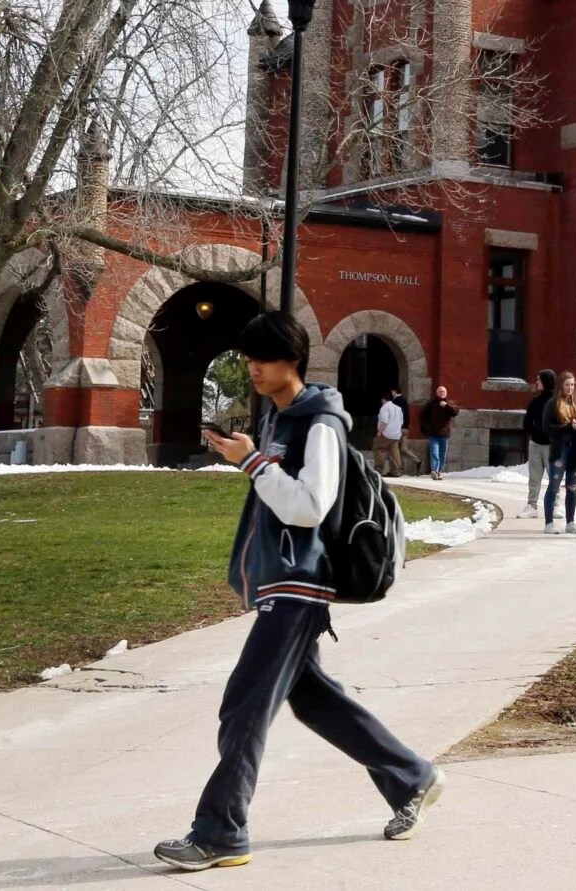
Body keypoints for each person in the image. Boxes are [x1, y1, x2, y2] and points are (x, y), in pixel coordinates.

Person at [155, 309, 440, 870]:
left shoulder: (321, 424)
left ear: (292, 360)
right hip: (283, 582)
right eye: (248, 359)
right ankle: (412, 778)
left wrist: (254, 463)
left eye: (261, 359)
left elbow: (312, 507)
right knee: (313, 702)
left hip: (301, 584)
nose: (252, 369)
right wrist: (253, 455)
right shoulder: (279, 420)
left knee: (245, 703)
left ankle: (220, 831)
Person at [545, 371, 576, 533]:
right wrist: (567, 426)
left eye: (572, 385)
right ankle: (549, 523)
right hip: (559, 449)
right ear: (561, 386)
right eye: (567, 384)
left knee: (572, 487)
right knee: (554, 486)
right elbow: (547, 428)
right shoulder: (553, 404)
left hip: (575, 450)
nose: (570, 388)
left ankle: (570, 522)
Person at [520, 371, 557, 516]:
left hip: (551, 445)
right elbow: (527, 422)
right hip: (535, 443)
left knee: (554, 476)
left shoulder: (556, 401)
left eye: (539, 380)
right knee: (534, 477)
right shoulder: (535, 401)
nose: (536, 383)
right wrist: (534, 432)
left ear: (546, 381)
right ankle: (532, 506)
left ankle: (555, 505)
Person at [419, 386, 458, 479]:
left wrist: (445, 405)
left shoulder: (449, 403)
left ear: (446, 393)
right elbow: (423, 417)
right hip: (433, 433)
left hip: (444, 434)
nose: (442, 393)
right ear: (436, 393)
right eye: (440, 391)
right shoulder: (431, 404)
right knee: (434, 453)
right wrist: (427, 429)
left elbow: (455, 412)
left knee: (442, 455)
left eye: (444, 391)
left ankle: (438, 471)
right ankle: (434, 471)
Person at [373, 390, 405, 477]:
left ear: (383, 400)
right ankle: (397, 470)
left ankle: (378, 469)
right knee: (394, 451)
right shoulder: (398, 408)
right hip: (396, 434)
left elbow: (384, 422)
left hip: (386, 433)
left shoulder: (384, 408)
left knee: (378, 449)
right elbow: (401, 422)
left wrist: (379, 432)